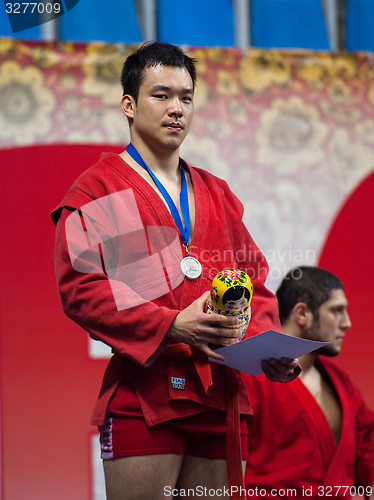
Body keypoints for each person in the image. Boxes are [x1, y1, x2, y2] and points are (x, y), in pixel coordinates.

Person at [51, 42, 300, 500]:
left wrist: (267, 344)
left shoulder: (215, 191)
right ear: (129, 104)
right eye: (161, 95)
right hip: (146, 396)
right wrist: (171, 325)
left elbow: (254, 281)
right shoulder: (98, 188)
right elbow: (82, 290)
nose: (177, 109)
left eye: (186, 97)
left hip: (221, 396)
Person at [243, 266, 374, 499]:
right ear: (302, 313)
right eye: (337, 311)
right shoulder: (253, 378)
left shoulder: (342, 384)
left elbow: (367, 447)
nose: (347, 323)